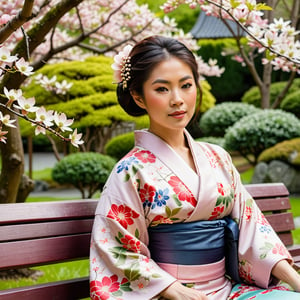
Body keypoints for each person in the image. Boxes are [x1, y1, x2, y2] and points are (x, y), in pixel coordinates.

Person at [89, 35, 300, 300]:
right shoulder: (130, 172)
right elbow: (117, 249)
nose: (177, 99)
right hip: (168, 294)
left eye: (186, 85)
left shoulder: (218, 157)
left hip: (226, 290)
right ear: (138, 97)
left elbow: (253, 230)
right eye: (162, 89)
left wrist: (295, 280)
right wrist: (168, 288)